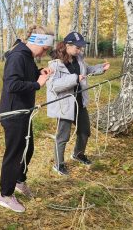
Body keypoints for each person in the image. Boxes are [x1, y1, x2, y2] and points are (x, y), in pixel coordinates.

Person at [0, 25, 54, 213]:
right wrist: (37, 84)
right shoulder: (18, 56)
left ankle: (19, 181)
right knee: (14, 154)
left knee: (28, 149)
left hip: (24, 111)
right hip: (13, 114)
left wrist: (39, 72)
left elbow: (25, 76)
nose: (45, 52)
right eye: (44, 48)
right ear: (37, 41)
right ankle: (5, 195)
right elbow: (12, 84)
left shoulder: (27, 56)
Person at [47, 31, 110, 176]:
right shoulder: (55, 64)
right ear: (68, 46)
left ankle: (78, 154)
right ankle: (59, 164)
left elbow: (88, 70)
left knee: (84, 131)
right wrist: (75, 79)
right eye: (77, 47)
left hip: (80, 102)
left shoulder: (79, 59)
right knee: (63, 136)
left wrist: (101, 68)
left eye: (81, 47)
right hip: (65, 105)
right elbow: (53, 86)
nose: (80, 50)